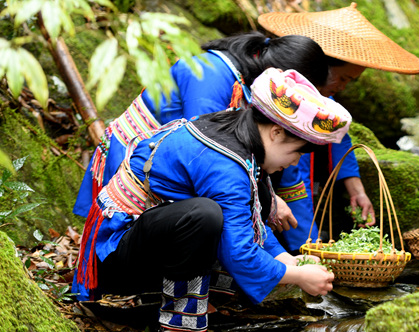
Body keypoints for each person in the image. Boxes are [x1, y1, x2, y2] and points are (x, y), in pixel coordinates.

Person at [72, 69, 346, 332]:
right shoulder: (226, 164)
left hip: (152, 235)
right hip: (113, 258)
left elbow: (246, 216)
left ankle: (196, 298)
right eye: (297, 153)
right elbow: (239, 251)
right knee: (204, 216)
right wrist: (298, 276)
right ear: (276, 132)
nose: (294, 162)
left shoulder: (240, 132)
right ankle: (175, 327)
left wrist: (287, 261)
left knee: (259, 193)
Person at [73, 33, 329, 232]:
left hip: (168, 164)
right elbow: (207, 148)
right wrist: (266, 200)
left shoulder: (244, 79)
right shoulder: (212, 74)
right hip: (135, 165)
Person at [257, 3, 419, 251]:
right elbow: (295, 173)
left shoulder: (320, 99)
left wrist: (355, 187)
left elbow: (340, 135)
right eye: (344, 78)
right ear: (316, 67)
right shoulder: (289, 107)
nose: (344, 87)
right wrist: (309, 246)